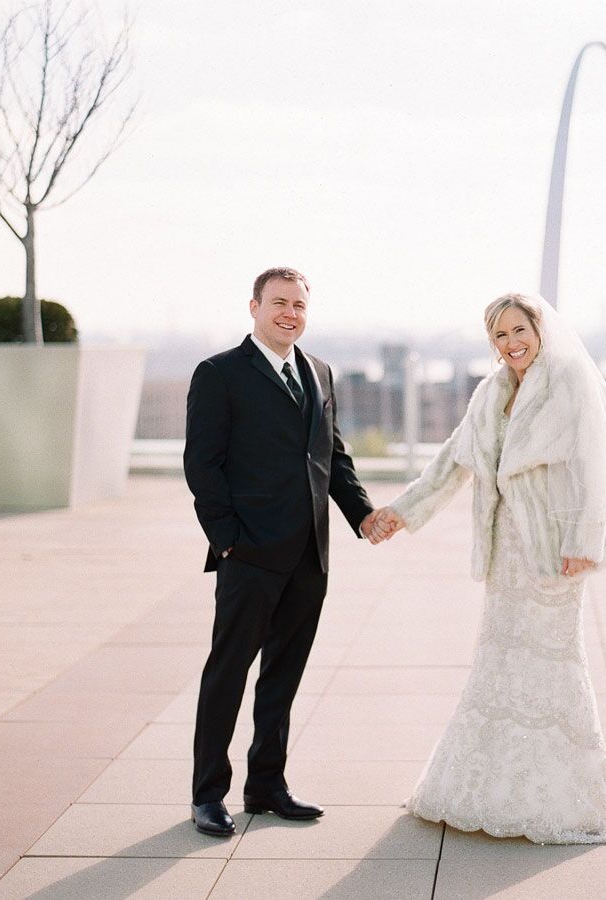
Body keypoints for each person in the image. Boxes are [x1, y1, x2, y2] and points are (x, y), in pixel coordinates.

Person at [368, 292, 606, 845]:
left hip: (555, 547)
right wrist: (401, 512)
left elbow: (593, 466)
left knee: (553, 659)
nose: (512, 343)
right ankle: (489, 784)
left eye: (520, 330)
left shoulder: (569, 382)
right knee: (499, 657)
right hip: (505, 550)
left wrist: (585, 539)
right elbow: (453, 461)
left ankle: (566, 789)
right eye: (500, 336)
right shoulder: (491, 393)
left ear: (539, 328)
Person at [184, 266, 384, 837]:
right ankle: (207, 795)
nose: (290, 314)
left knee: (283, 675)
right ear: (253, 307)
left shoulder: (319, 371)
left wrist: (362, 514)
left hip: (308, 556)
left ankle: (266, 785)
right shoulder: (219, 373)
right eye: (279, 303)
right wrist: (227, 542)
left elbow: (330, 457)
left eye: (299, 305)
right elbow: (202, 465)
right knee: (227, 673)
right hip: (247, 556)